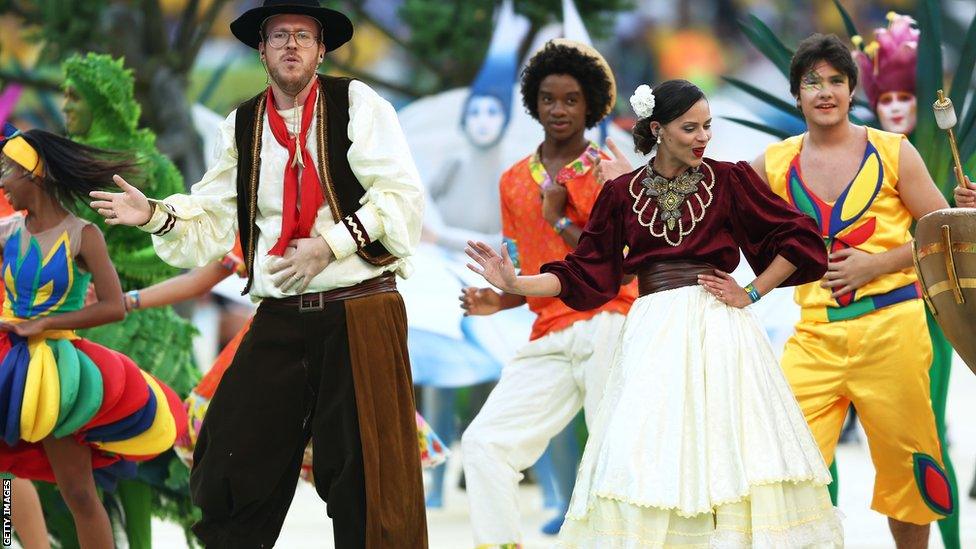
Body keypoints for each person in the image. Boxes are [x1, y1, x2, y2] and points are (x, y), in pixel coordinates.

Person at [88, 1, 427, 546]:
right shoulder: (243, 123)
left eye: (303, 36)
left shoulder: (356, 104)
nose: (291, 45)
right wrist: (154, 213)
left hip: (360, 309)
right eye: (278, 36)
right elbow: (215, 214)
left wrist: (330, 246)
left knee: (369, 482)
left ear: (320, 50)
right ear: (262, 50)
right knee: (229, 457)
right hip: (281, 316)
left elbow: (401, 198)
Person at [466, 79, 843, 546]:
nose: (703, 136)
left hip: (719, 327)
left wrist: (752, 290)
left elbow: (801, 238)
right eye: (690, 127)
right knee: (648, 454)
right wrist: (516, 283)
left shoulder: (730, 178)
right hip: (653, 330)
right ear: (658, 129)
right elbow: (584, 273)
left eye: (708, 126)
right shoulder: (621, 193)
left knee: (726, 451)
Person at [753, 34, 959, 549]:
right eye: (812, 83)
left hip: (893, 332)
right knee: (785, 468)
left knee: (909, 472)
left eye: (836, 82)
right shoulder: (773, 164)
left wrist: (878, 264)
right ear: (796, 95)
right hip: (813, 336)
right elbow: (717, 218)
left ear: (851, 91)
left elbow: (944, 238)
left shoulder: (894, 152)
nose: (825, 92)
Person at [459, 39, 636, 547]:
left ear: (592, 105)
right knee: (486, 442)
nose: (559, 109)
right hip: (549, 331)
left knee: (613, 457)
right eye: (548, 98)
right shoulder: (513, 181)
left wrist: (559, 217)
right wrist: (501, 300)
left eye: (571, 99)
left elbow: (619, 269)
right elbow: (525, 269)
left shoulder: (609, 172)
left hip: (611, 321)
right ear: (533, 103)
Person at [0, 126, 187, 548]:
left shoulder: (83, 235)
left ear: (36, 175)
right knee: (7, 479)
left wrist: (43, 325)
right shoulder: (8, 232)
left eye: (9, 170)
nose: (3, 181)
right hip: (7, 364)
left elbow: (114, 306)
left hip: (54, 376)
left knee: (80, 494)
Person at [120, 239, 448, 472]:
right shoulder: (256, 216)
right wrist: (126, 301)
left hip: (341, 337)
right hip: (273, 343)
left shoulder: (339, 208)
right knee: (234, 467)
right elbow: (197, 281)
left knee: (360, 466)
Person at [60, 50, 200, 549]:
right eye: (64, 94)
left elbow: (179, 246)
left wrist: (117, 281)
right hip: (70, 323)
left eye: (74, 95)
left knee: (140, 452)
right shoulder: (62, 161)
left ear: (101, 100)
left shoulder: (150, 167)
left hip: (142, 332)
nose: (64, 105)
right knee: (48, 457)